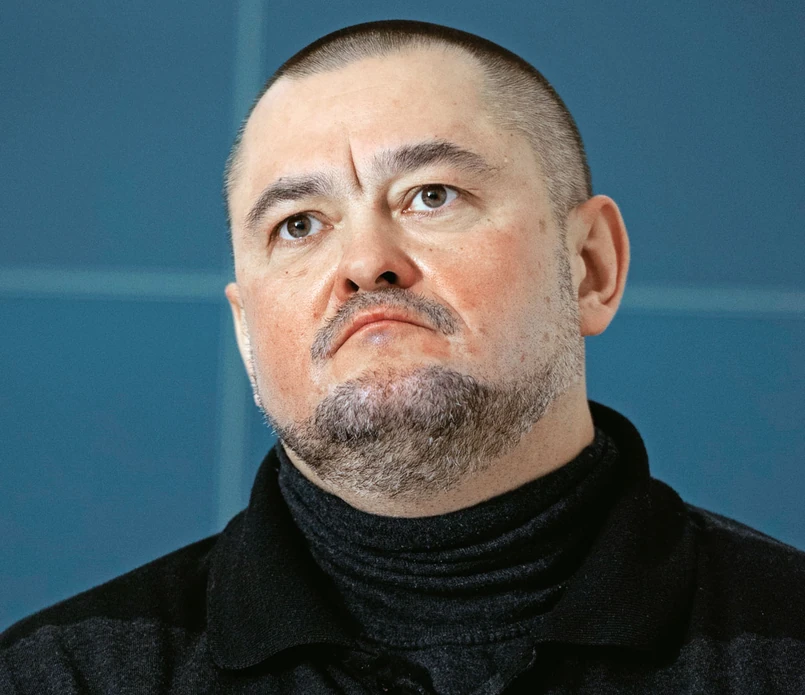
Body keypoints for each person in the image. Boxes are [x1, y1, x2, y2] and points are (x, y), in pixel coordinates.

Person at [2, 19, 803, 695]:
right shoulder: (61, 676)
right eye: (298, 224)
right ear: (247, 334)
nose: (365, 263)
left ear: (589, 266)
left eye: (431, 195)